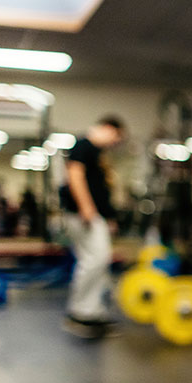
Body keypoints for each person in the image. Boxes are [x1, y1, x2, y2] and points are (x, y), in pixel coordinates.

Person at [59, 116, 125, 338]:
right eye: (116, 137)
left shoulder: (96, 152)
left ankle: (93, 311)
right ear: (108, 128)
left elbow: (99, 187)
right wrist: (86, 207)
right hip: (85, 215)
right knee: (94, 260)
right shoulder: (83, 145)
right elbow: (74, 176)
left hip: (96, 215)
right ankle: (80, 313)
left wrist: (108, 217)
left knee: (99, 261)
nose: (114, 142)